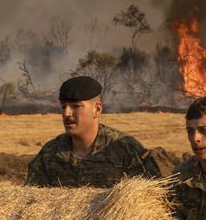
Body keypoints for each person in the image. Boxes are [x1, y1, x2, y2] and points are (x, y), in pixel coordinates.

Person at [26, 76, 161, 187]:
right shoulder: (50, 153)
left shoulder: (126, 149)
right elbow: (31, 200)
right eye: (63, 107)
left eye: (75, 106)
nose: (66, 113)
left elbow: (155, 197)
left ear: (97, 109)